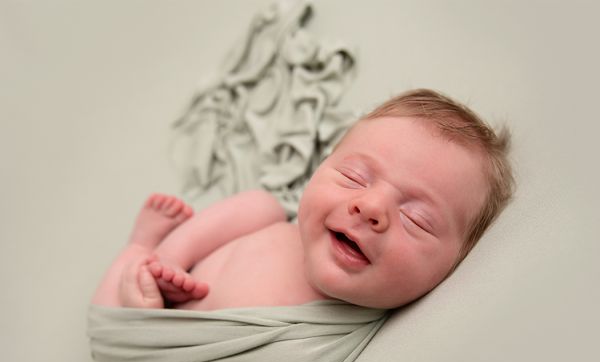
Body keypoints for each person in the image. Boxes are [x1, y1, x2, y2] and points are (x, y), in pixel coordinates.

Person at [91, 88, 514, 311]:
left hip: (174, 333)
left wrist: (153, 317)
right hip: (172, 285)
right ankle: (148, 248)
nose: (370, 208)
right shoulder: (287, 229)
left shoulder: (343, 330)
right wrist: (161, 271)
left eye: (417, 219)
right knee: (260, 204)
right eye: (353, 176)